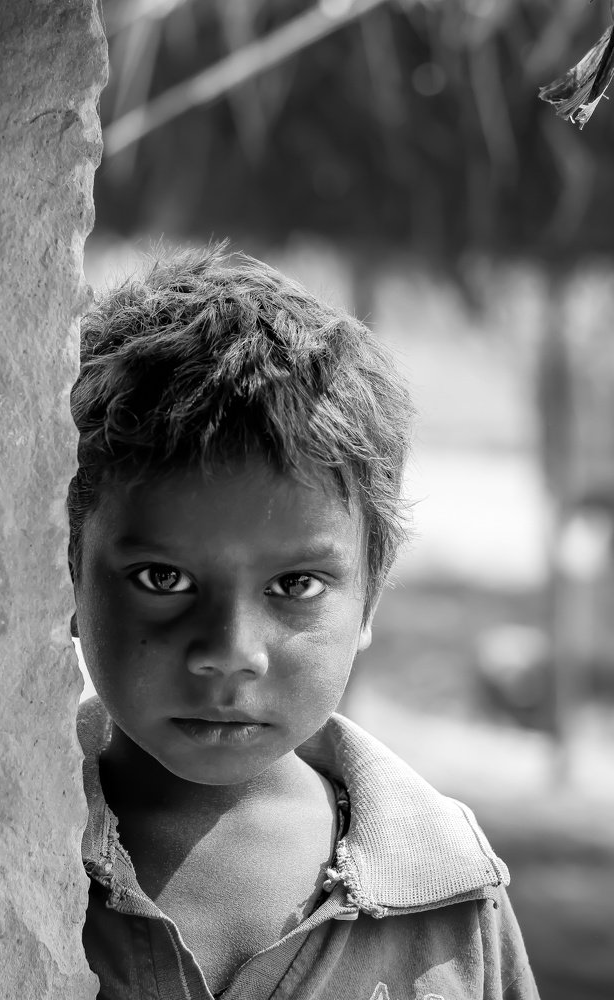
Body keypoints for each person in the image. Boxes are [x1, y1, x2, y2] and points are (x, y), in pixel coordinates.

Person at [68, 243, 539, 1000]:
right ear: (67, 572)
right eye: (164, 579)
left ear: (371, 596)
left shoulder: (452, 893)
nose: (231, 652)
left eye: (295, 585)